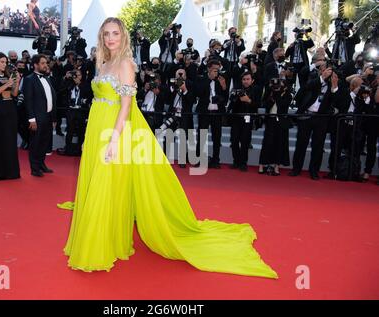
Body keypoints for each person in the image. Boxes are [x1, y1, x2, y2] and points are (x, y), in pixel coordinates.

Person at [57, 17, 278, 279]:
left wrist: (114, 138)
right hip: (97, 126)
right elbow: (99, 99)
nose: (110, 38)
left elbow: (126, 106)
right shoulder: (102, 63)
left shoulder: (127, 64)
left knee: (107, 182)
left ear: (123, 36)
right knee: (101, 181)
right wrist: (90, 136)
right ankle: (108, 238)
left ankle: (100, 244)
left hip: (114, 129)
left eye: (115, 33)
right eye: (106, 34)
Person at [0, 52, 21, 180]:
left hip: (11, 110)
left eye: (5, 62)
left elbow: (14, 94)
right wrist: (6, 84)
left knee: (11, 141)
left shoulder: (8, 76)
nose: (4, 64)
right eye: (1, 62)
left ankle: (11, 172)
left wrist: (17, 82)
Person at [23, 54, 57, 177]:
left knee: (45, 142)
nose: (45, 65)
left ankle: (41, 164)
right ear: (35, 65)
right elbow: (28, 100)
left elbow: (52, 99)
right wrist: (32, 119)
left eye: (46, 63)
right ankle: (34, 168)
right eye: (42, 63)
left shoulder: (47, 78)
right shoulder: (29, 79)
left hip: (48, 117)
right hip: (37, 118)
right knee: (35, 143)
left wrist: (53, 118)